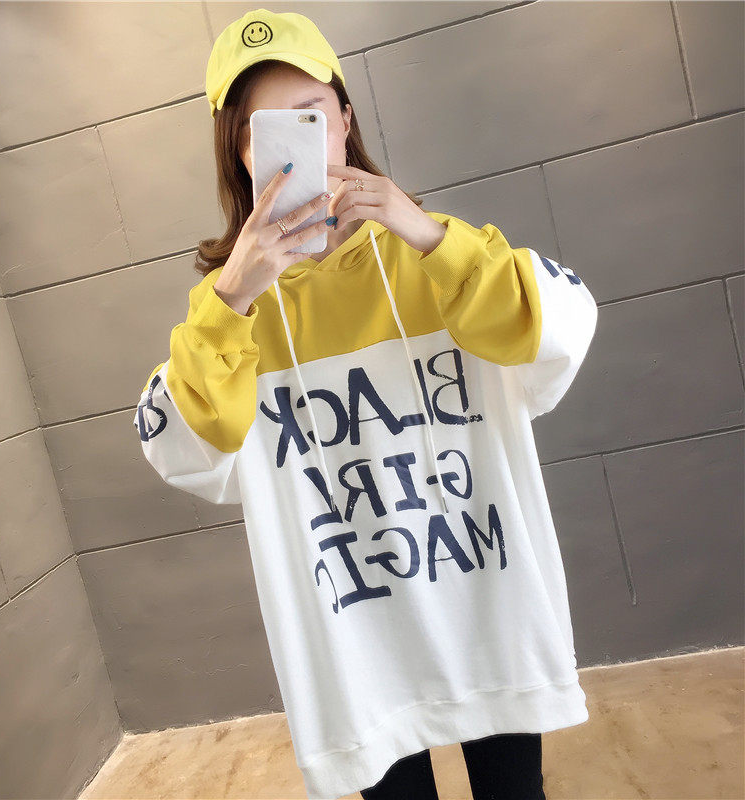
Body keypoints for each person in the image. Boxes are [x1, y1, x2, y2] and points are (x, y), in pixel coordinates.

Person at [133, 8, 598, 800]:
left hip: (486, 606)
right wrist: (233, 294)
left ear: (345, 120)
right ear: (239, 152)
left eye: (311, 114)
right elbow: (188, 443)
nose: (297, 143)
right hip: (356, 644)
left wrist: (423, 232)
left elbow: (555, 327)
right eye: (262, 130)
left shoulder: (433, 255)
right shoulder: (232, 312)